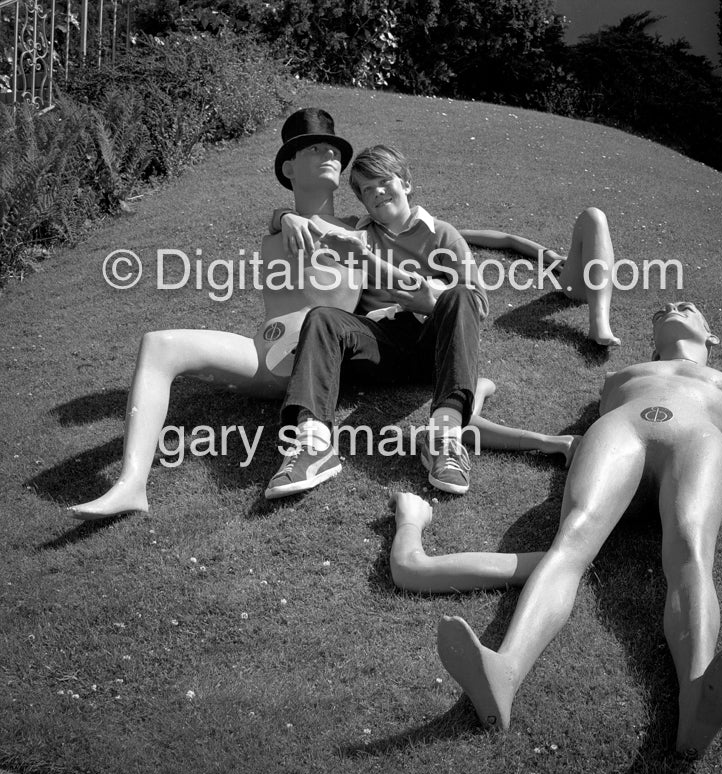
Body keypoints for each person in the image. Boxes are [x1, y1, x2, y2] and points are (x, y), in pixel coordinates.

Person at [389, 302, 722, 759]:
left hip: (697, 438)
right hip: (621, 432)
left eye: (686, 307)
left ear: (711, 334)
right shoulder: (624, 376)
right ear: (652, 338)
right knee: (570, 543)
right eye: (660, 309)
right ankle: (503, 670)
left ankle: (698, 694)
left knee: (690, 547)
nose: (671, 307)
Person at [68, 108, 368, 520]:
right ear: (288, 166)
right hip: (262, 356)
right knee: (160, 344)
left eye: (333, 147)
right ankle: (131, 484)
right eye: (313, 148)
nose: (328, 153)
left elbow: (411, 239)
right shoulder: (278, 232)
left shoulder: (360, 231)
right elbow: (276, 219)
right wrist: (287, 216)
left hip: (314, 362)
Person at [264, 145, 491, 499]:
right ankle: (313, 444)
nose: (376, 193)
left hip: (433, 346)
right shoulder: (358, 233)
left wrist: (430, 302)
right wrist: (284, 217)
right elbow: (301, 220)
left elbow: (477, 304)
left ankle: (444, 439)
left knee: (459, 294)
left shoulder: (443, 235)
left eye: (384, 182)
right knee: (322, 318)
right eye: (366, 190)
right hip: (378, 342)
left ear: (407, 183)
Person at [460, 210, 620, 347]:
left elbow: (508, 239)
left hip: (584, 280)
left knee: (594, 216)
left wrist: (550, 256)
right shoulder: (441, 237)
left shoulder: (442, 232)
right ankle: (599, 324)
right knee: (592, 216)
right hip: (576, 286)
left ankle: (600, 323)